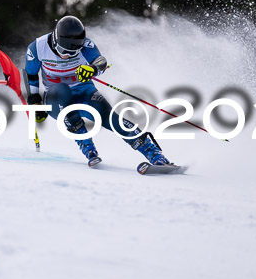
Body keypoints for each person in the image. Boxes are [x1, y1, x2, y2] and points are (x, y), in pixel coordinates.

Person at [25, 15, 172, 167]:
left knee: (111, 118)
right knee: (61, 91)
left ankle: (154, 153)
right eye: (63, 50)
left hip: (83, 90)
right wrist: (35, 101)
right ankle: (88, 148)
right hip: (56, 97)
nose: (67, 55)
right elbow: (30, 74)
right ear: (55, 40)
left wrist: (92, 69)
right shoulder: (37, 48)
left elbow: (101, 61)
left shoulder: (86, 44)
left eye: (73, 53)